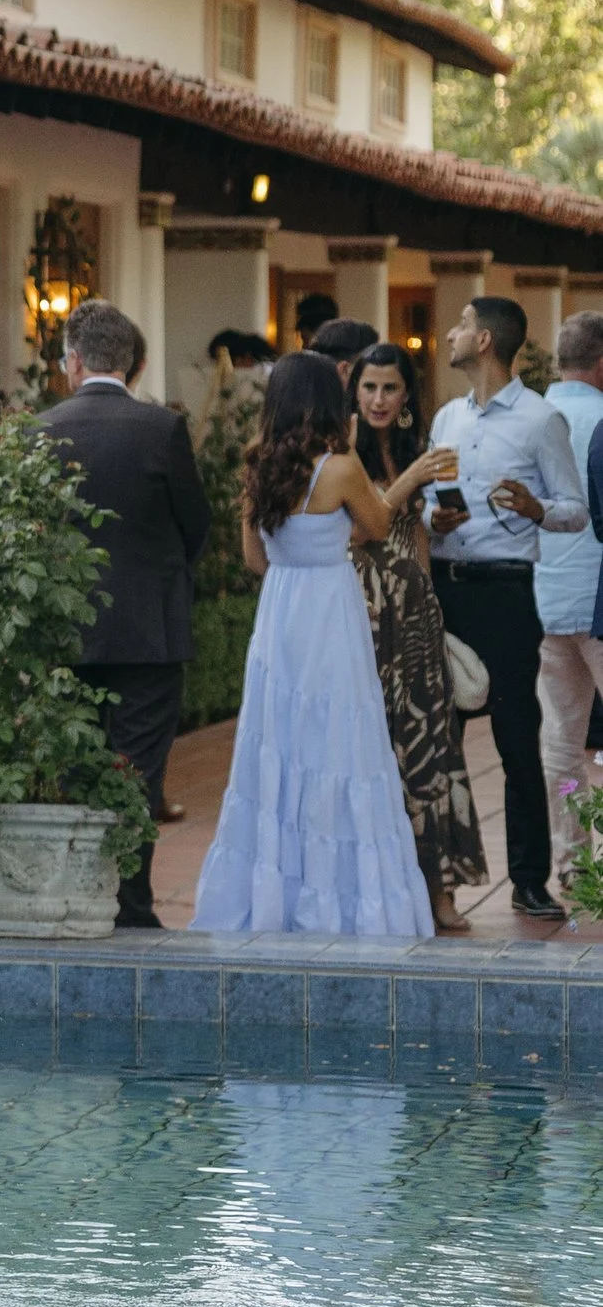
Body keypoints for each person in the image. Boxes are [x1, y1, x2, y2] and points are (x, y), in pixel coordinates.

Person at [193, 352, 431, 939]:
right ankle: (343, 900)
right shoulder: (343, 467)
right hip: (330, 612)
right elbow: (376, 525)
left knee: (280, 739)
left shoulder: (257, 465)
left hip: (282, 614)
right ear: (332, 402)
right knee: (340, 743)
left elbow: (254, 559)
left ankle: (276, 892)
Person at [38, 298, 211, 928]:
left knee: (79, 766)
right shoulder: (162, 429)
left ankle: (80, 897)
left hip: (66, 634)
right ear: (134, 364)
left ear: (74, 361)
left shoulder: (41, 429)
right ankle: (130, 905)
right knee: (139, 772)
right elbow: (196, 526)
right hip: (148, 630)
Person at [428, 292, 589, 921]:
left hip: (507, 592)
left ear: (487, 340)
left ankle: (528, 880)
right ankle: (434, 881)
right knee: (437, 741)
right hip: (445, 587)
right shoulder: (446, 418)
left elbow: (576, 510)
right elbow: (423, 503)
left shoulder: (540, 420)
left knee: (517, 737)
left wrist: (536, 510)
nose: (450, 334)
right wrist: (431, 518)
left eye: (462, 324)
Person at [349, 342, 480, 931]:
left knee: (431, 750)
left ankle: (440, 893)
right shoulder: (339, 453)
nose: (379, 399)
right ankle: (376, 891)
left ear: (406, 398)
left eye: (390, 389)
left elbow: (416, 543)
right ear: (354, 392)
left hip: (415, 615)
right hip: (360, 614)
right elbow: (357, 531)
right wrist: (407, 482)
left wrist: (434, 611)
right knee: (374, 751)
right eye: (369, 387)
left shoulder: (413, 449)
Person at [537, 311, 603, 875]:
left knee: (561, 739)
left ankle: (573, 863)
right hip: (599, 598)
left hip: (546, 597)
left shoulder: (528, 418)